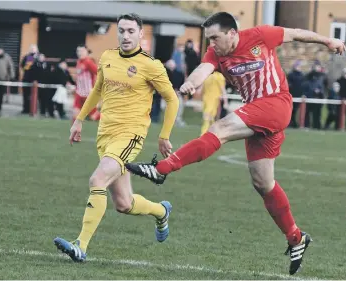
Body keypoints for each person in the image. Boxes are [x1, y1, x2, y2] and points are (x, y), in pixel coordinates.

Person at [125, 12, 345, 275]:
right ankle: (296, 238)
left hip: (276, 103)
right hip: (256, 113)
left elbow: (296, 32)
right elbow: (202, 70)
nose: (212, 44)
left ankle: (161, 170)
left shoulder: (260, 35)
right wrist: (189, 84)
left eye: (215, 38)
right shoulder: (216, 54)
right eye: (208, 39)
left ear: (232, 33)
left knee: (221, 127)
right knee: (263, 183)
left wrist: (327, 41)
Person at [54, 13, 179, 262]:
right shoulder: (107, 57)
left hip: (130, 135)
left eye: (131, 31)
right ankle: (161, 211)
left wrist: (164, 136)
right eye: (122, 30)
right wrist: (79, 120)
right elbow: (97, 90)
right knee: (124, 203)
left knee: (97, 179)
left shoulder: (151, 65)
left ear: (141, 34)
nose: (125, 35)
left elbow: (172, 99)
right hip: (105, 135)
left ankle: (81, 245)